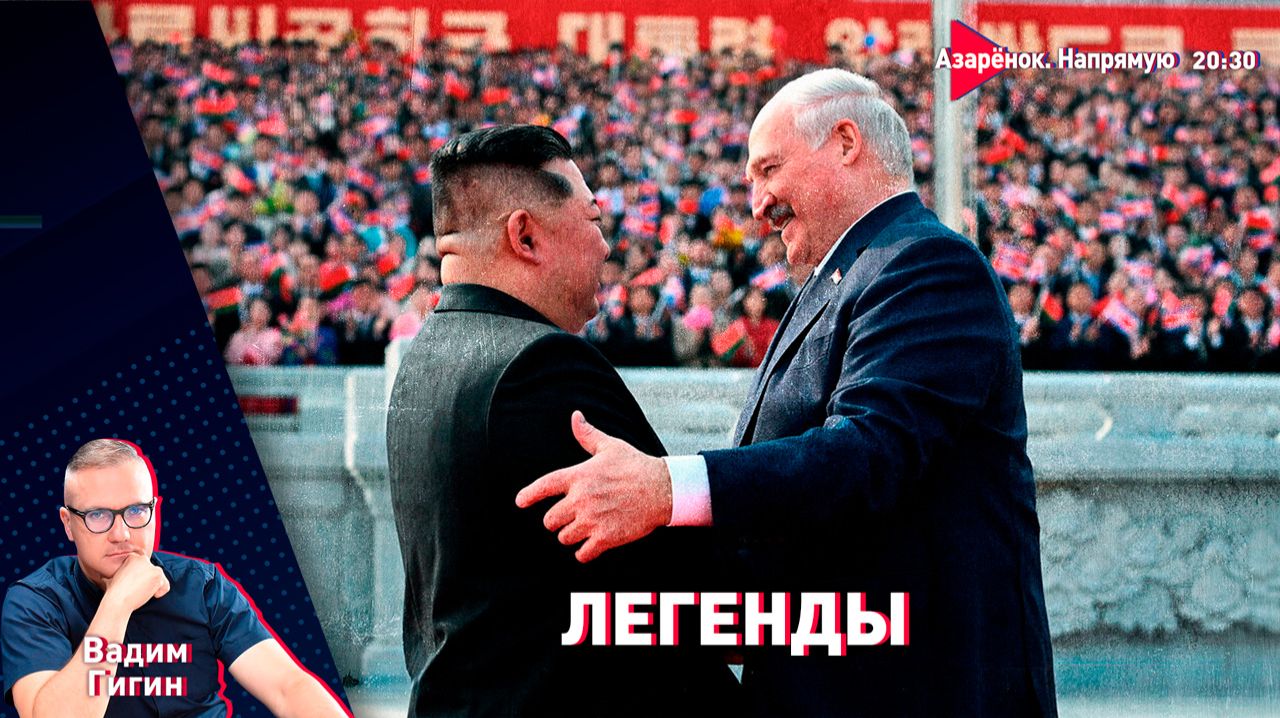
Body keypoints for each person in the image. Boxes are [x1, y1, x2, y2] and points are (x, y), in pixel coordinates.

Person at [517, 69, 1058, 716]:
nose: (757, 205)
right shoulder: (846, 275)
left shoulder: (927, 266)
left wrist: (666, 489)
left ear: (846, 143)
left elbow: (869, 454)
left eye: (769, 170)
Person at [384, 125, 738, 717]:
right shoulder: (538, 366)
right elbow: (684, 588)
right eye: (593, 221)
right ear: (525, 235)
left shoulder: (427, 354)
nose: (606, 247)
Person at [0, 439, 348, 718]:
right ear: (68, 524)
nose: (121, 533)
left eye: (136, 511)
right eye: (99, 516)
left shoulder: (202, 586)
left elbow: (288, 688)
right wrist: (118, 603)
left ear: (154, 511)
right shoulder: (35, 602)